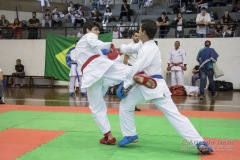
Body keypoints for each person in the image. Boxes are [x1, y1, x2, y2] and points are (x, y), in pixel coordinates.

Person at [117, 19, 213, 155]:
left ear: (144, 32)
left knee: (173, 115)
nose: (138, 31)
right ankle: (130, 134)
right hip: (143, 85)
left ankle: (199, 142)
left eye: (139, 29)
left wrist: (125, 86)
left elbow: (136, 69)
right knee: (125, 105)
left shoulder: (149, 49)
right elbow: (131, 48)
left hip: (154, 86)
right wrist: (117, 49)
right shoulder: (144, 45)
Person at [74, 21, 156, 145]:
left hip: (90, 75)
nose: (97, 32)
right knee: (126, 72)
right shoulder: (88, 37)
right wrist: (109, 47)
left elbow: (109, 55)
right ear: (87, 30)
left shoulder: (83, 46)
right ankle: (138, 75)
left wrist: (113, 53)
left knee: (96, 107)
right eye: (96, 29)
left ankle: (108, 136)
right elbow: (95, 42)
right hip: (99, 66)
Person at [121, 31, 143, 111]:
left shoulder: (141, 46)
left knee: (137, 88)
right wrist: (124, 70)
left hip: (138, 69)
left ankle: (134, 105)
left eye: (138, 36)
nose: (137, 37)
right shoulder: (129, 47)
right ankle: (129, 105)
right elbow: (125, 59)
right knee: (130, 88)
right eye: (135, 36)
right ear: (132, 36)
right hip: (130, 69)